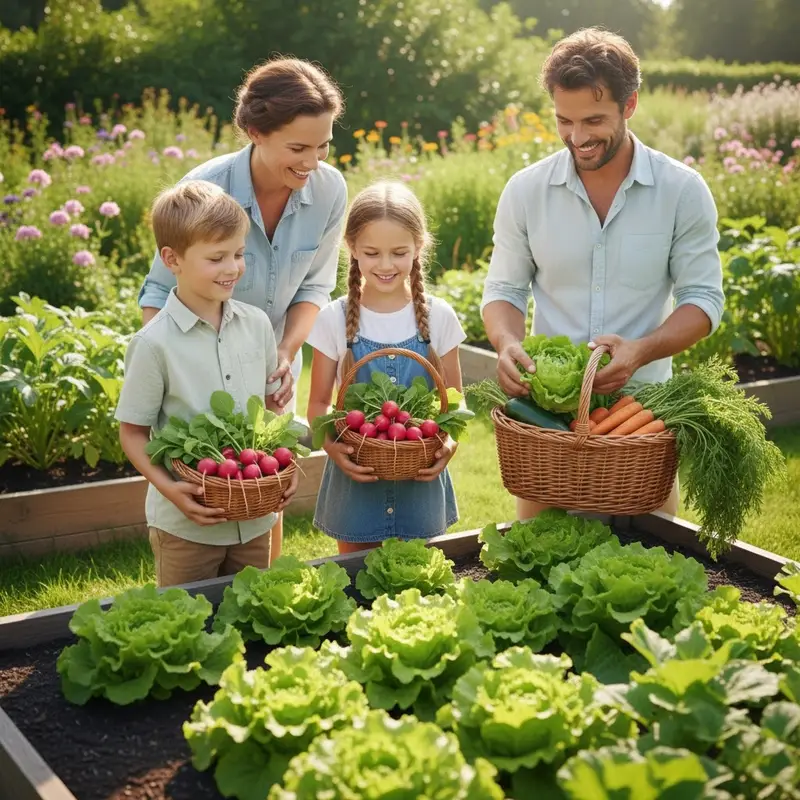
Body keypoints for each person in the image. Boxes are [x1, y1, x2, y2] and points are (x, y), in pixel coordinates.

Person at [481, 27, 724, 521]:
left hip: (641, 423)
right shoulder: (526, 191)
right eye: (563, 121)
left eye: (594, 120)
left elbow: (703, 301)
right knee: (533, 572)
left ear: (630, 105)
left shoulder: (681, 190)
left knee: (652, 573)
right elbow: (504, 288)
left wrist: (641, 351)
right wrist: (507, 344)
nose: (578, 137)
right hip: (547, 421)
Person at [137, 57, 347, 561]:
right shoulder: (207, 192)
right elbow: (155, 296)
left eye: (323, 146)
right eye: (297, 148)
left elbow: (315, 287)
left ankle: (261, 594)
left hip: (272, 362)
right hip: (197, 369)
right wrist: (176, 370)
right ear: (254, 131)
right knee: (204, 501)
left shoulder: (329, 191)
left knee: (262, 496)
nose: (312, 162)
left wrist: (283, 353)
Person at [116, 180, 298, 588]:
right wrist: (170, 490)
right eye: (217, 257)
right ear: (172, 259)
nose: (233, 267)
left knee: (253, 615)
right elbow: (132, 432)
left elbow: (271, 413)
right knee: (188, 624)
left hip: (254, 519)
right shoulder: (153, 344)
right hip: (187, 525)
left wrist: (285, 468)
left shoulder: (256, 326)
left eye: (238, 253)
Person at [306, 181, 467, 554]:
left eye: (399, 252)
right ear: (352, 250)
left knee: (421, 584)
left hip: (421, 483)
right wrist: (334, 451)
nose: (385, 264)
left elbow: (455, 403)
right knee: (355, 584)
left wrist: (449, 444)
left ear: (418, 248)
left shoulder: (439, 317)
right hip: (355, 487)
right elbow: (316, 405)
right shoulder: (334, 318)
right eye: (372, 252)